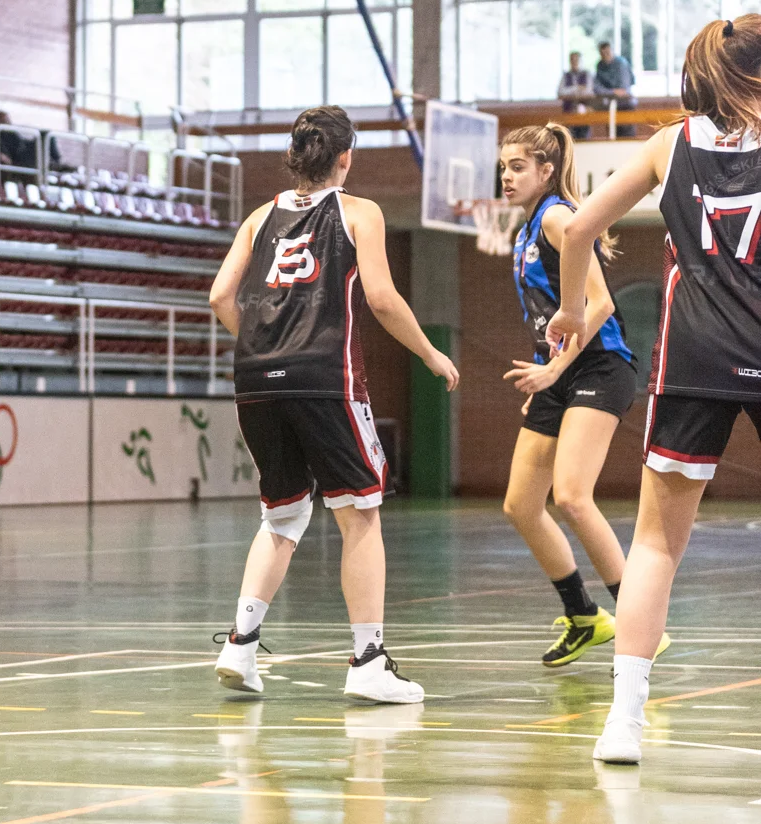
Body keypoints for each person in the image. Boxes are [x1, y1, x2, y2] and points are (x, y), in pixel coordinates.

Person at [550, 16, 761, 765]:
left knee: (655, 545)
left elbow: (577, 230)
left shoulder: (666, 146)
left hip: (692, 359)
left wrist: (570, 310)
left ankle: (623, 724)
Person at [206, 105, 459, 702]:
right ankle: (368, 661)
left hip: (256, 380)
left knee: (282, 516)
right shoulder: (359, 211)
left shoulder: (259, 217)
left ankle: (240, 646)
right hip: (325, 378)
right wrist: (430, 354)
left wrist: (264, 346)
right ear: (345, 156)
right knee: (359, 513)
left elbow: (219, 296)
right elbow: (383, 298)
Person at [498, 124, 649, 667]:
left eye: (517, 167)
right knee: (521, 505)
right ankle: (585, 616)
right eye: (503, 168)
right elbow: (551, 318)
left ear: (545, 170)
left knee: (572, 496)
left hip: (601, 367)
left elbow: (599, 304)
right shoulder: (526, 229)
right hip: (559, 372)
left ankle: (640, 622)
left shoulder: (558, 218)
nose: (507, 176)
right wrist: (546, 370)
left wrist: (555, 369)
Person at [558, 48, 593, 139]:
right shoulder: (565, 76)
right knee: (570, 137)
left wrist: (570, 92)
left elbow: (588, 91)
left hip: (585, 112)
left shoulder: (587, 74)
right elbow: (560, 92)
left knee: (584, 137)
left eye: (576, 60)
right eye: (572, 60)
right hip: (569, 111)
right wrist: (577, 88)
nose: (574, 62)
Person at [594, 40, 636, 110]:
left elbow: (623, 90)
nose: (605, 56)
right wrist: (612, 91)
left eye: (607, 53)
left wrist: (609, 92)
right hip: (607, 99)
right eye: (602, 54)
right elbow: (597, 88)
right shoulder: (600, 65)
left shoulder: (621, 64)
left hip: (625, 100)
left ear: (612, 51)